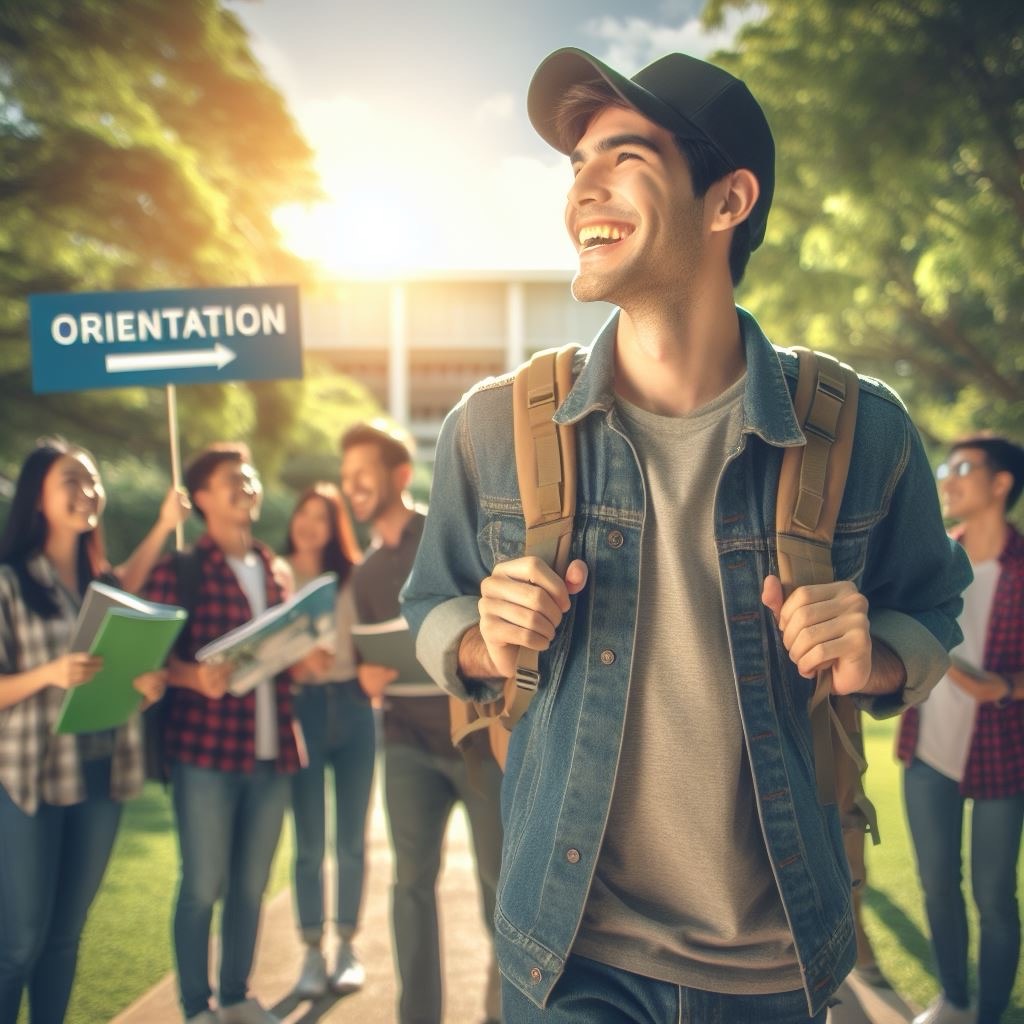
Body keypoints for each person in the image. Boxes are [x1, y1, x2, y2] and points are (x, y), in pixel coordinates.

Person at [400, 48, 973, 1023]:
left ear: (725, 202)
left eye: (622, 155)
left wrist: (874, 653)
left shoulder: (862, 429)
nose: (582, 181)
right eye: (575, 161)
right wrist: (476, 637)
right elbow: (433, 604)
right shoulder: (491, 429)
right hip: (568, 955)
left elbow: (931, 608)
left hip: (778, 962)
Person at [0, 436, 187, 1024]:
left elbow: (124, 638)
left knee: (65, 936)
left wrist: (145, 686)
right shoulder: (9, 582)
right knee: (21, 942)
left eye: (92, 479)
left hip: (102, 773)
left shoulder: (102, 587)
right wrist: (48, 675)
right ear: (38, 498)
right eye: (71, 481)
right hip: (29, 779)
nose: (88, 491)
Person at [143, 442, 315, 1024]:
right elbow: (147, 665)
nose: (245, 484)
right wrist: (192, 675)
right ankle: (197, 1006)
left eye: (249, 474)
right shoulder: (181, 570)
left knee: (250, 885)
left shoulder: (273, 567)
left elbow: (282, 651)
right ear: (202, 500)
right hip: (206, 754)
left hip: (272, 752)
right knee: (203, 884)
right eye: (230, 479)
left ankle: (237, 996)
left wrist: (304, 651)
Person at [340, 420, 503, 1024]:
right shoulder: (363, 573)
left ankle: (506, 1013)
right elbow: (368, 659)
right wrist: (367, 678)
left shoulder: (444, 539)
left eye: (363, 474)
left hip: (475, 741)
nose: (351, 485)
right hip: (405, 742)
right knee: (409, 887)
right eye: (346, 476)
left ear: (399, 476)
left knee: (498, 892)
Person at [897, 435, 1024, 1024]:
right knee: (937, 886)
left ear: (1002, 485)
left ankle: (992, 1014)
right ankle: (955, 998)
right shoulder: (933, 560)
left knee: (995, 898)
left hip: (1003, 753)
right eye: (946, 467)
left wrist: (1005, 687)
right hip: (927, 751)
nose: (948, 478)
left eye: (964, 468)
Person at [281, 483, 375, 999]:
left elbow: (372, 639)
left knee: (351, 840)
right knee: (310, 843)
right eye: (303, 513)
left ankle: (346, 947)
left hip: (356, 708)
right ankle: (312, 952)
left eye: (321, 516)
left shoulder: (355, 575)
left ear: (334, 524)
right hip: (302, 709)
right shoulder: (275, 572)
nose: (309, 524)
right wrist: (295, 659)